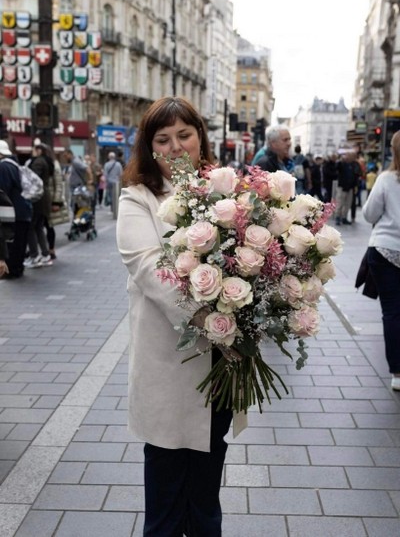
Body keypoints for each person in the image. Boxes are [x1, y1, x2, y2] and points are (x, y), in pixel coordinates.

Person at [116, 97, 245, 537]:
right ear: (149, 148)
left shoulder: (228, 192)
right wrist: (221, 312)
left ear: (200, 137)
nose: (175, 147)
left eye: (184, 135)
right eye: (162, 139)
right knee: (166, 501)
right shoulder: (138, 198)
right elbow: (151, 271)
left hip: (221, 368)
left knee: (206, 499)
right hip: (169, 366)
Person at [363, 129, 400, 392]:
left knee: (392, 312)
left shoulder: (387, 179)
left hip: (385, 250)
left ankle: (397, 372)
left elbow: (369, 213)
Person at [0, 140, 32, 278]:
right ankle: (18, 268)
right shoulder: (15, 164)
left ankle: (11, 270)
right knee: (20, 242)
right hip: (23, 209)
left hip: (12, 211)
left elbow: (3, 190)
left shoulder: (3, 167)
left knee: (12, 243)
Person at [24, 143, 54, 269]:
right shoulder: (48, 161)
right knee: (39, 227)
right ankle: (45, 254)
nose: (32, 151)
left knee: (31, 227)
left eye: (34, 150)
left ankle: (34, 255)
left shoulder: (38, 162)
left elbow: (33, 179)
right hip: (44, 197)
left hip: (38, 197)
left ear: (39, 151)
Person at [45, 144, 70, 260]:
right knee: (43, 225)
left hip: (50, 200)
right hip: (44, 200)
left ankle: (51, 249)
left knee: (50, 225)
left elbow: (59, 184)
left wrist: (56, 201)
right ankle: (46, 250)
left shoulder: (54, 165)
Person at [334, 147, 359, 225]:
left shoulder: (354, 164)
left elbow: (356, 175)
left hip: (350, 187)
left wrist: (355, 185)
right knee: (340, 202)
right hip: (342, 186)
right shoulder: (341, 163)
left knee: (348, 204)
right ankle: (338, 217)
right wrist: (341, 159)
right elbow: (337, 167)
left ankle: (344, 217)